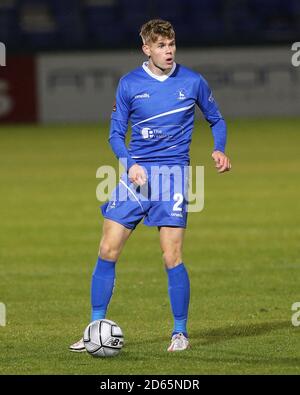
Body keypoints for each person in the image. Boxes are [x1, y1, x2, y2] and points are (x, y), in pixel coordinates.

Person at [70, 19, 231, 353]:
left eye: (171, 44)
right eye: (161, 46)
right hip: (136, 176)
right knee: (107, 249)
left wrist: (219, 148)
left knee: (171, 255)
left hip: (173, 177)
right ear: (147, 48)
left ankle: (180, 332)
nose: (168, 51)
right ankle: (94, 328)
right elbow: (115, 134)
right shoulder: (129, 84)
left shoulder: (193, 81)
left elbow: (216, 119)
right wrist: (130, 165)